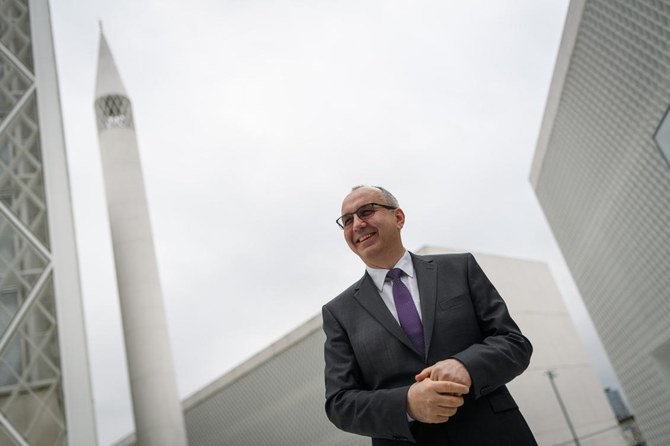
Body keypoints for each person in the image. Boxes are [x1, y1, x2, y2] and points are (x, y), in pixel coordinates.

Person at [322, 185, 537, 445]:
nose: (357, 224)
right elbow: (340, 403)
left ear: (398, 218)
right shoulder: (339, 313)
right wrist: (408, 404)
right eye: (347, 221)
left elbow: (514, 343)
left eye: (366, 211)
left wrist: (465, 365)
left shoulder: (459, 268)